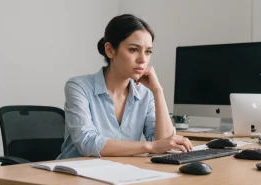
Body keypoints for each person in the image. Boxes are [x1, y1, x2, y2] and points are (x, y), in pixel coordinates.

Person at [57, 14, 192, 159]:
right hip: (72, 177)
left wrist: (158, 91)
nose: (142, 59)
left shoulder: (145, 94)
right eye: (133, 49)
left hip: (121, 175)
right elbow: (87, 143)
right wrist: (150, 147)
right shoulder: (79, 87)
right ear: (110, 50)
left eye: (148, 51)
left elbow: (165, 144)